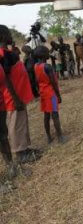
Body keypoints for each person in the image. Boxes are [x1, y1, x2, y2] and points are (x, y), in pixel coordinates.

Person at [0, 25, 41, 164]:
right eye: (7, 33)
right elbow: (5, 78)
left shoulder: (7, 51)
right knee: (16, 123)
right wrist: (16, 98)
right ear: (1, 37)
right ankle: (19, 152)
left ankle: (25, 148)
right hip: (13, 97)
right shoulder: (2, 54)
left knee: (22, 122)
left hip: (20, 94)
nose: (10, 35)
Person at [34, 46, 67, 144]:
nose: (49, 54)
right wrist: (58, 95)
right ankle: (60, 137)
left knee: (46, 115)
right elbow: (53, 82)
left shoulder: (36, 66)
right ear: (44, 55)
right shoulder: (47, 67)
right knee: (55, 114)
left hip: (43, 93)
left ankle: (48, 137)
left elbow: (36, 81)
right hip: (51, 93)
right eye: (48, 53)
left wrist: (39, 90)